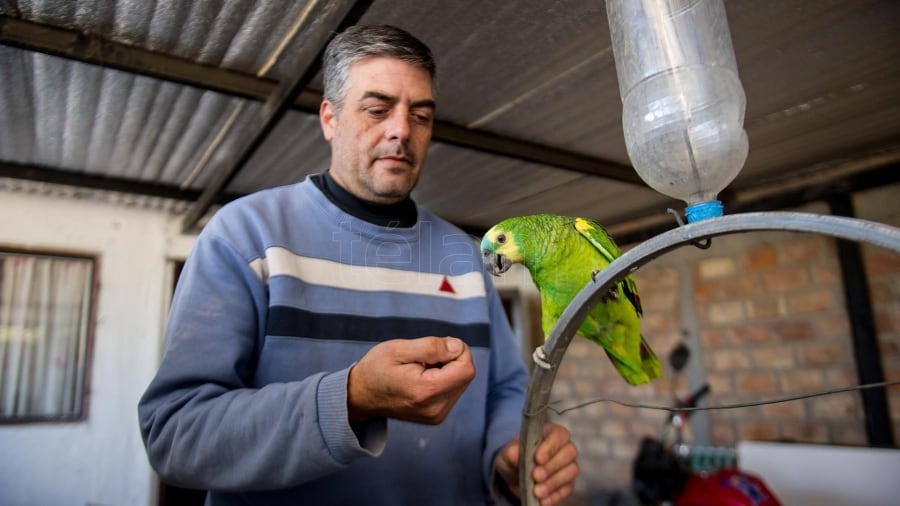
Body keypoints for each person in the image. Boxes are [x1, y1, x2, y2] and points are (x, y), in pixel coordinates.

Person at [138, 24, 578, 505]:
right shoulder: (247, 236)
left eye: (422, 115)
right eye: (377, 109)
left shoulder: (464, 258)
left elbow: (507, 392)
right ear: (329, 118)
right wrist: (349, 400)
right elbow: (176, 434)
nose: (402, 131)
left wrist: (510, 457)